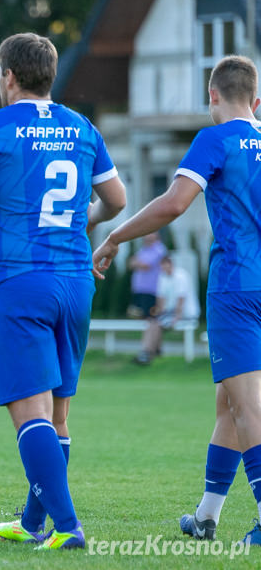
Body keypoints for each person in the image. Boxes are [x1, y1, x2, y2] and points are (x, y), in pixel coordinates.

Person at [0, 32, 126, 550]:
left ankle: (69, 526)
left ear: (7, 76)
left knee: (29, 414)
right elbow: (117, 199)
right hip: (75, 281)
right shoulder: (82, 128)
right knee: (57, 413)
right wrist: (83, 227)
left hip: (20, 281)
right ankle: (33, 521)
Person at [92, 55, 261, 546]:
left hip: (237, 286)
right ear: (256, 101)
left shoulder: (215, 137)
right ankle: (206, 517)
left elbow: (174, 203)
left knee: (248, 406)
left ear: (212, 96)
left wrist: (114, 237)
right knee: (229, 404)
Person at [133, 254, 200, 365]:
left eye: (165, 266)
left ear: (171, 264)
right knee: (152, 322)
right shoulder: (163, 277)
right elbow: (161, 298)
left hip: (186, 313)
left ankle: (148, 352)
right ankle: (149, 351)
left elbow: (181, 299)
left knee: (157, 324)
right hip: (172, 312)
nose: (164, 269)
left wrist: (176, 317)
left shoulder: (180, 276)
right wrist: (158, 312)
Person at [127, 232, 168, 319]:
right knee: (138, 316)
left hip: (151, 289)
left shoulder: (159, 249)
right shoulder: (143, 249)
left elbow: (146, 265)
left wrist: (137, 263)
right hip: (139, 288)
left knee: (150, 318)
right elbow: (130, 263)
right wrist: (138, 263)